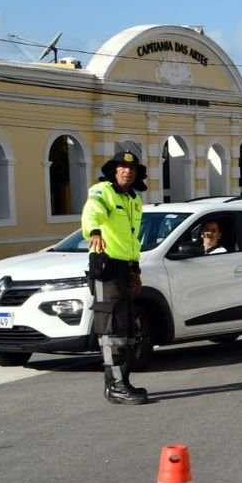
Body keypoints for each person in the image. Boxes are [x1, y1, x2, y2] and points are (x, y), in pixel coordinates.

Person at [81, 149, 149, 405]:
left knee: (126, 328)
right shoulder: (102, 191)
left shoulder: (134, 199)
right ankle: (116, 386)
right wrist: (95, 230)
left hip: (124, 267)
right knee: (111, 329)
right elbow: (93, 210)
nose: (127, 171)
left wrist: (135, 269)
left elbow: (132, 239)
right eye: (122, 167)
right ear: (113, 170)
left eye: (131, 168)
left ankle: (121, 382)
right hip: (106, 264)